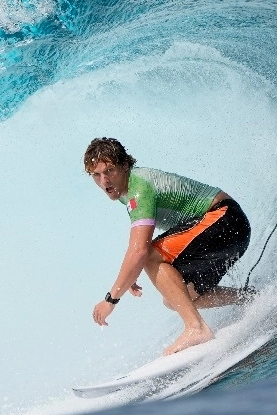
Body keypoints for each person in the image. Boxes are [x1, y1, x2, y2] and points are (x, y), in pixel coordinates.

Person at [84, 137, 253, 355]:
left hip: (224, 219)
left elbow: (141, 250)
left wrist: (111, 300)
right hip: (231, 229)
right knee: (178, 298)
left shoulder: (139, 187)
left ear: (125, 165)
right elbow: (138, 244)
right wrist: (132, 270)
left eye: (110, 171)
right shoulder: (127, 191)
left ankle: (196, 328)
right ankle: (249, 297)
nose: (104, 180)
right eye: (96, 175)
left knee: (151, 256)